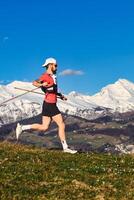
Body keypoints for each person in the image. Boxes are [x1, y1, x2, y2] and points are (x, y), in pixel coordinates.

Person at [16, 57, 77, 154]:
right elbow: (34, 83)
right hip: (50, 104)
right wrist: (41, 84)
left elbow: (53, 90)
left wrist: (60, 96)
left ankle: (22, 127)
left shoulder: (54, 77)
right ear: (50, 65)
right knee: (61, 124)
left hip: (48, 104)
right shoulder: (45, 76)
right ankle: (65, 148)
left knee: (44, 127)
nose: (57, 67)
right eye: (55, 65)